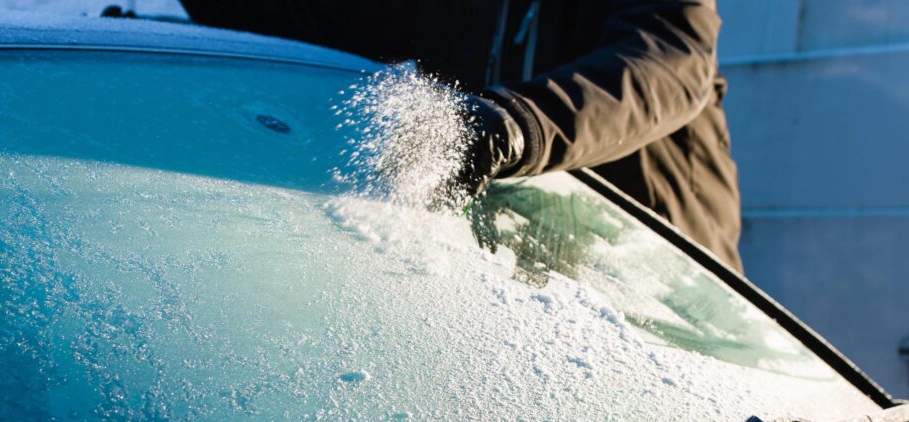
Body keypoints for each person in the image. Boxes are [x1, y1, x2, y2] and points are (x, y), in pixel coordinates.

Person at [179, 0, 743, 271]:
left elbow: (671, 61)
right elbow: (316, 21)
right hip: (525, 271)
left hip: (662, 267)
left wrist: (513, 123)